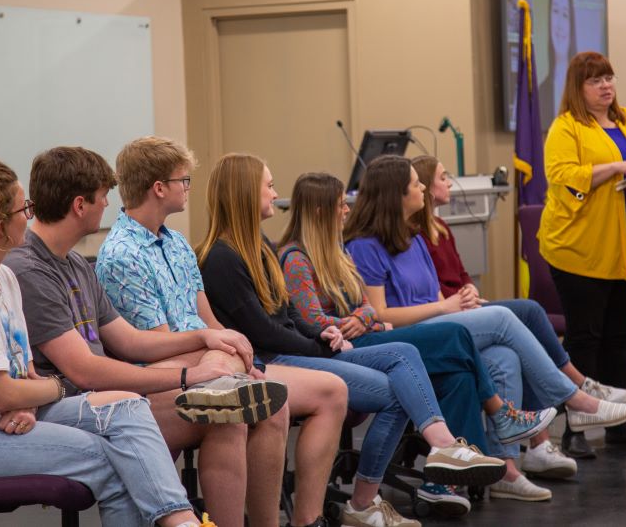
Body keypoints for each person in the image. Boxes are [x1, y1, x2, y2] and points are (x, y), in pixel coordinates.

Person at [197, 153, 509, 527]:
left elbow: (294, 314)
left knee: (403, 367)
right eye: (269, 186)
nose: (276, 194)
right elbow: (263, 332)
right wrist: (322, 342)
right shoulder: (223, 258)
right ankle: (434, 451)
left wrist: (321, 332)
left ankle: (378, 491)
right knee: (421, 356)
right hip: (271, 360)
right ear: (246, 193)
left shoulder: (262, 246)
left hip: (296, 348)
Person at [0, 154, 213, 527]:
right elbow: (3, 394)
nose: (30, 216)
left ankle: (181, 520)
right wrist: (52, 390)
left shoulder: (3, 278)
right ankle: (182, 522)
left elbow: (23, 375)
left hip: (5, 419)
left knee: (128, 406)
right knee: (115, 460)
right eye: (23, 209)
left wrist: (28, 403)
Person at [3, 147, 290, 527]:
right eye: (103, 196)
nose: (109, 204)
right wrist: (190, 375)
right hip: (70, 406)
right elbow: (85, 371)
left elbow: (129, 340)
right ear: (80, 205)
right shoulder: (29, 269)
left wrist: (205, 338)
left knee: (228, 412)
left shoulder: (74, 263)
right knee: (224, 410)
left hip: (100, 398)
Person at [343, 154, 626, 502]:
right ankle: (575, 399)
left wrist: (459, 302)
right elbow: (378, 314)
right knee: (503, 317)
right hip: (399, 335)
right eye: (416, 183)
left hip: (435, 324)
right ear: (395, 195)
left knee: (503, 357)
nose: (423, 188)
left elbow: (436, 296)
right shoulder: (365, 246)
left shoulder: (415, 238)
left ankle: (504, 467)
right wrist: (446, 307)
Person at [95, 136, 347, 527]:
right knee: (231, 410)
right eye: (183, 180)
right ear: (159, 188)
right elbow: (156, 348)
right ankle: (230, 382)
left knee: (267, 403)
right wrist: (219, 349)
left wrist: (234, 352)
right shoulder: (122, 254)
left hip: (208, 365)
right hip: (162, 378)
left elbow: (208, 321)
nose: (188, 188)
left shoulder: (176, 243)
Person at [279, 171, 558, 513]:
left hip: (365, 336)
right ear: (320, 211)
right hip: (338, 350)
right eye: (340, 205)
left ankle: (447, 478)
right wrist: (351, 322)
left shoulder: (337, 251)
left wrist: (361, 319)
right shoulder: (296, 259)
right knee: (456, 334)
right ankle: (498, 416)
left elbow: (366, 306)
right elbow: (310, 320)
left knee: (459, 375)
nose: (346, 210)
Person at [410, 154, 626, 463]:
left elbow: (461, 275)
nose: (449, 183)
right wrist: (459, 302)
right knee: (526, 313)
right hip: (449, 314)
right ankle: (577, 389)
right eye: (442, 177)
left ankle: (525, 454)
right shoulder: (415, 236)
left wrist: (470, 289)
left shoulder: (441, 227)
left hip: (462, 306)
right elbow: (431, 292)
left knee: (514, 348)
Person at [540, 51, 626, 455]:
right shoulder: (566, 127)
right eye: (595, 80)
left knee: (618, 339)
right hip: (581, 250)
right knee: (585, 339)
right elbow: (561, 176)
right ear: (578, 88)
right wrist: (616, 168)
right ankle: (575, 430)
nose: (606, 86)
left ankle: (618, 427)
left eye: (609, 78)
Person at [537, 0, 577, 127]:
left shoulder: (587, 93)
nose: (559, 24)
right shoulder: (540, 93)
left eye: (565, 14)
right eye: (555, 11)